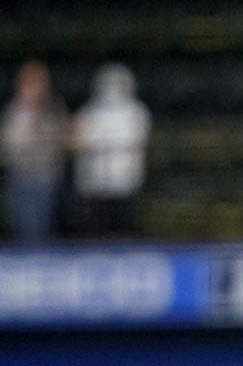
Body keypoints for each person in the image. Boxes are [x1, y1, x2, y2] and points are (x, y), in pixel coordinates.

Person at [69, 63, 150, 238]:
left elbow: (134, 140)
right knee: (97, 231)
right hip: (95, 185)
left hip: (124, 184)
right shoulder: (88, 111)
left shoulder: (136, 111)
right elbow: (80, 142)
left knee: (123, 230)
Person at [4, 61, 67, 244]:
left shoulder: (53, 110)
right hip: (21, 177)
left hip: (46, 178)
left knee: (43, 229)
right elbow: (11, 144)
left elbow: (62, 138)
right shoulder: (15, 112)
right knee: (25, 228)